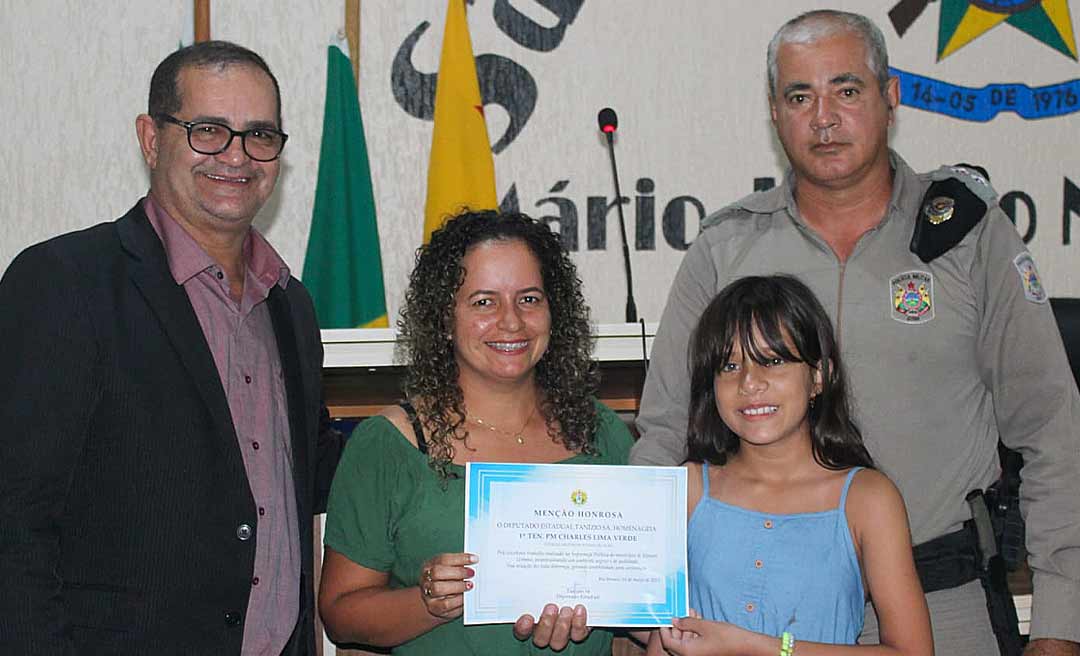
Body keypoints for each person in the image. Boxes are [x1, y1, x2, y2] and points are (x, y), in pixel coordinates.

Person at [631, 9, 1080, 656]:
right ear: (774, 112)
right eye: (799, 96)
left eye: (846, 90)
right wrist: (637, 599)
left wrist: (1061, 626)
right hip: (757, 616)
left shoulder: (969, 236)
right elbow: (665, 437)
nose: (823, 118)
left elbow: (1053, 430)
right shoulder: (726, 249)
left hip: (944, 607)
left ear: (889, 96)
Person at [0, 41, 342, 654]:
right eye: (209, 131)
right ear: (152, 138)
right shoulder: (65, 281)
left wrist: (446, 431)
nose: (237, 156)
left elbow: (310, 468)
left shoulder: (291, 304)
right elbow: (12, 518)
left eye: (260, 135)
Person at [318, 209, 635, 654]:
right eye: (484, 301)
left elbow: (641, 597)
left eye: (529, 299)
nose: (511, 322)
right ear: (444, 319)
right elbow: (341, 615)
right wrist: (431, 602)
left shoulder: (603, 433)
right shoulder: (388, 445)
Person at [645, 275, 931, 656]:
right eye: (729, 366)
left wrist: (758, 648)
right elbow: (661, 641)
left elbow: (913, 652)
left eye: (773, 361)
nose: (750, 383)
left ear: (818, 376)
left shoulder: (868, 499)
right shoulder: (687, 489)